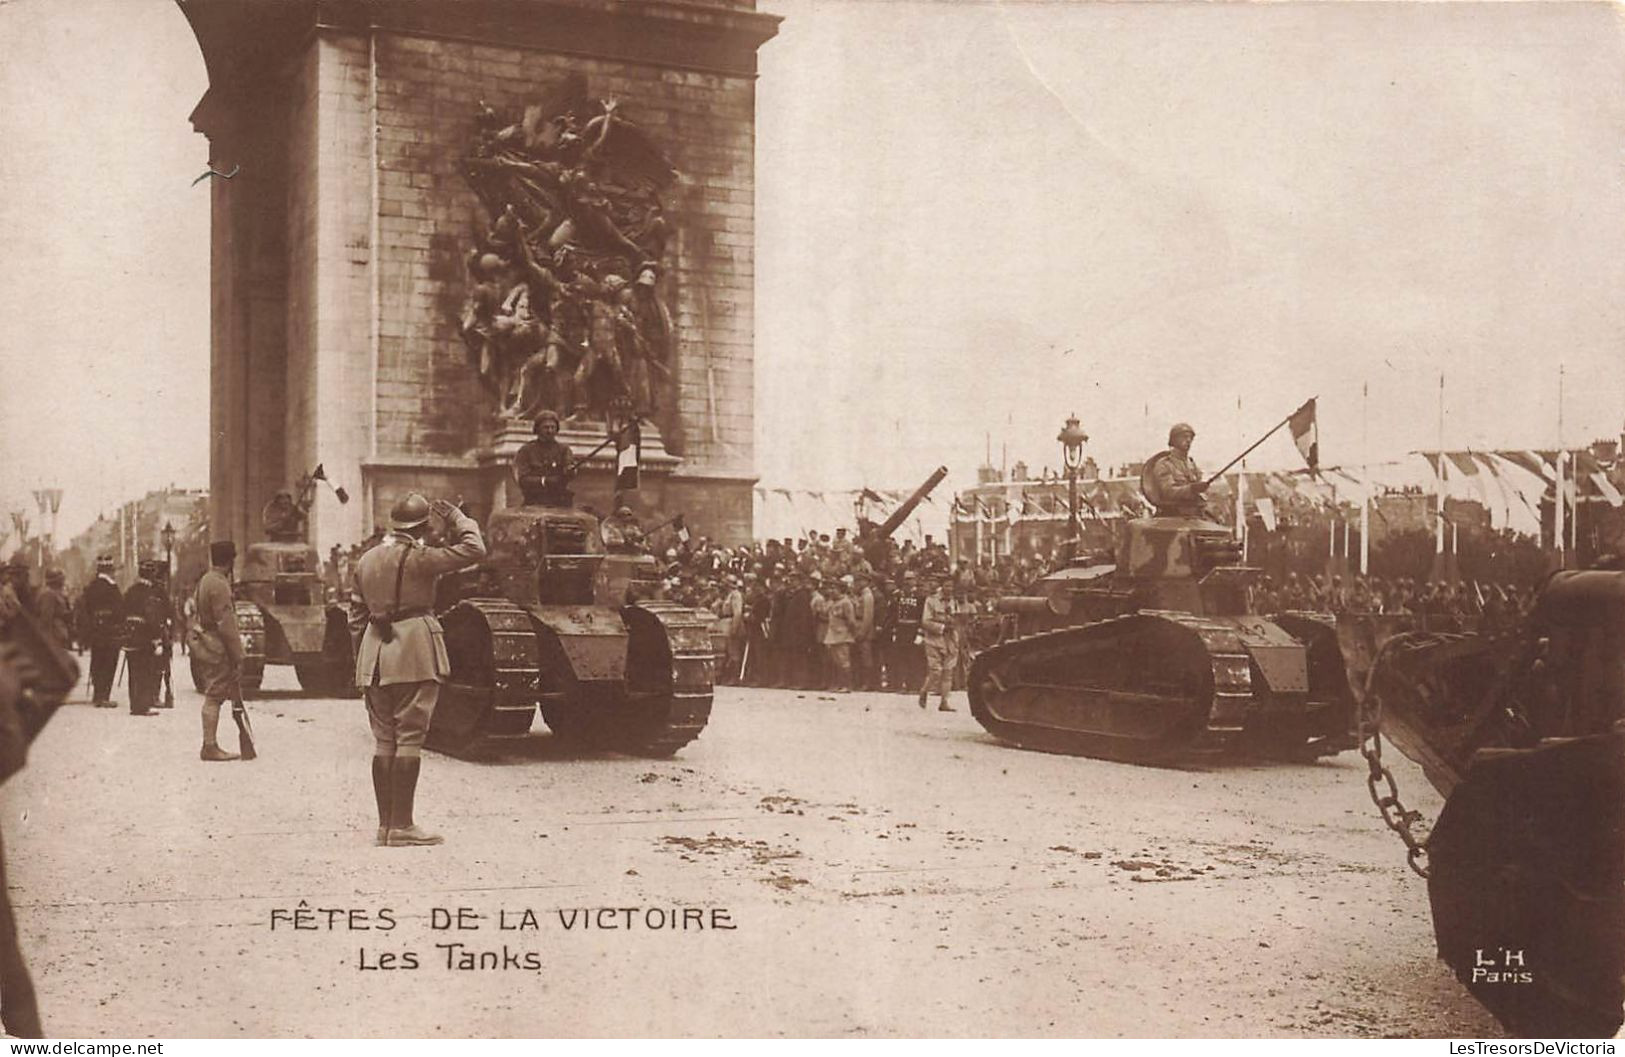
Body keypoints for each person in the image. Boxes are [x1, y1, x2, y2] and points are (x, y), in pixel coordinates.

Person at [349, 493, 486, 847]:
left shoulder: (365, 560)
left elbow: (355, 617)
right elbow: (475, 550)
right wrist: (458, 518)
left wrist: (363, 657)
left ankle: (385, 826)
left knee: (384, 739)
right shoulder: (423, 558)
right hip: (412, 651)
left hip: (374, 655)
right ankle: (403, 825)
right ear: (423, 527)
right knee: (409, 736)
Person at [191, 542, 245, 760]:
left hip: (207, 640)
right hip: (218, 644)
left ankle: (210, 744)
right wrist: (238, 654)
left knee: (212, 693)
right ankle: (210, 746)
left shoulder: (205, 580)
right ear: (230, 561)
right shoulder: (220, 584)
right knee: (214, 695)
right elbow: (226, 623)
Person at [120, 560, 169, 717]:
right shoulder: (150, 593)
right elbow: (152, 617)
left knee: (133, 671)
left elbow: (123, 612)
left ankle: (134, 704)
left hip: (130, 635)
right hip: (145, 635)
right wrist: (156, 637)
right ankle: (143, 705)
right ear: (151, 574)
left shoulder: (130, 591)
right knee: (145, 670)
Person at [79, 556, 122, 706]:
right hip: (110, 630)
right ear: (110, 570)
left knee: (97, 661)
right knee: (109, 662)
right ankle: (104, 696)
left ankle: (97, 695)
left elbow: (85, 608)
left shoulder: (91, 586)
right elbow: (119, 609)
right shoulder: (112, 587)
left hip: (96, 629)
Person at [1142, 422, 1208, 516]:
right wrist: (1191, 489)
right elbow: (1168, 492)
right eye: (1184, 437)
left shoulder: (1192, 464)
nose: (1188, 440)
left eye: (1190, 438)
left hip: (1194, 514)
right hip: (1172, 515)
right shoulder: (1164, 464)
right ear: (1174, 439)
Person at [514, 410, 573, 506]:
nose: (549, 431)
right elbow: (523, 480)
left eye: (553, 427)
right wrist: (545, 481)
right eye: (546, 427)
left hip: (560, 501)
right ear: (537, 429)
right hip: (534, 501)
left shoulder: (564, 450)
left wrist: (570, 471)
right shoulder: (526, 450)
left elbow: (569, 468)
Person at [919, 577, 956, 711]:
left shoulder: (954, 601)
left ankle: (944, 702)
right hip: (934, 639)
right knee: (936, 671)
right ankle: (924, 690)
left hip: (950, 640)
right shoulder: (931, 600)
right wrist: (942, 627)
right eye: (946, 586)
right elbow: (925, 621)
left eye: (951, 586)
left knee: (948, 672)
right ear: (941, 586)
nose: (949, 589)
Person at [34, 571, 72, 652]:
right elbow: (46, 618)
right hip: (54, 636)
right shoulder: (49, 595)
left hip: (59, 634)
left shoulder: (57, 594)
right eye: (61, 579)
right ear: (56, 581)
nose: (63, 582)